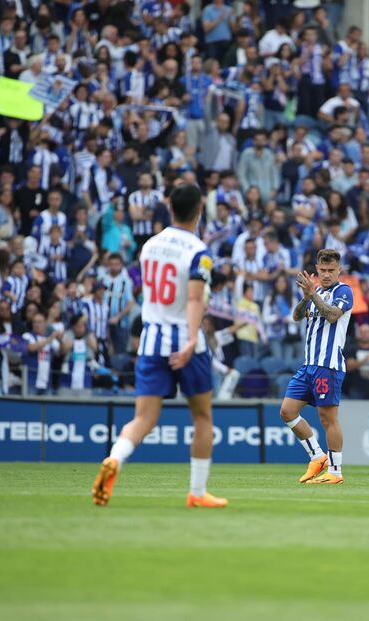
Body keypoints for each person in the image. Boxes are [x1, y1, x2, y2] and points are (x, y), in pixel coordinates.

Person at [92, 184, 228, 509]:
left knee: (144, 418)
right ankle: (197, 492)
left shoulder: (149, 246)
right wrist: (194, 338)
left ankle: (115, 458)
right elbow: (195, 298)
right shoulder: (199, 251)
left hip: (152, 338)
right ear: (199, 210)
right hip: (184, 340)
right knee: (202, 418)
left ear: (170, 209)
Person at [279, 249, 354, 485]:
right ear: (316, 269)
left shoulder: (344, 291)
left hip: (328, 365)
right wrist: (305, 297)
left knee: (328, 418)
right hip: (309, 365)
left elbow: (332, 316)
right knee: (287, 411)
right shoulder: (315, 291)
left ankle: (335, 471)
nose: (327, 275)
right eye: (322, 270)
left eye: (331, 270)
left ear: (339, 270)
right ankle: (318, 456)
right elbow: (296, 316)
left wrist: (314, 296)